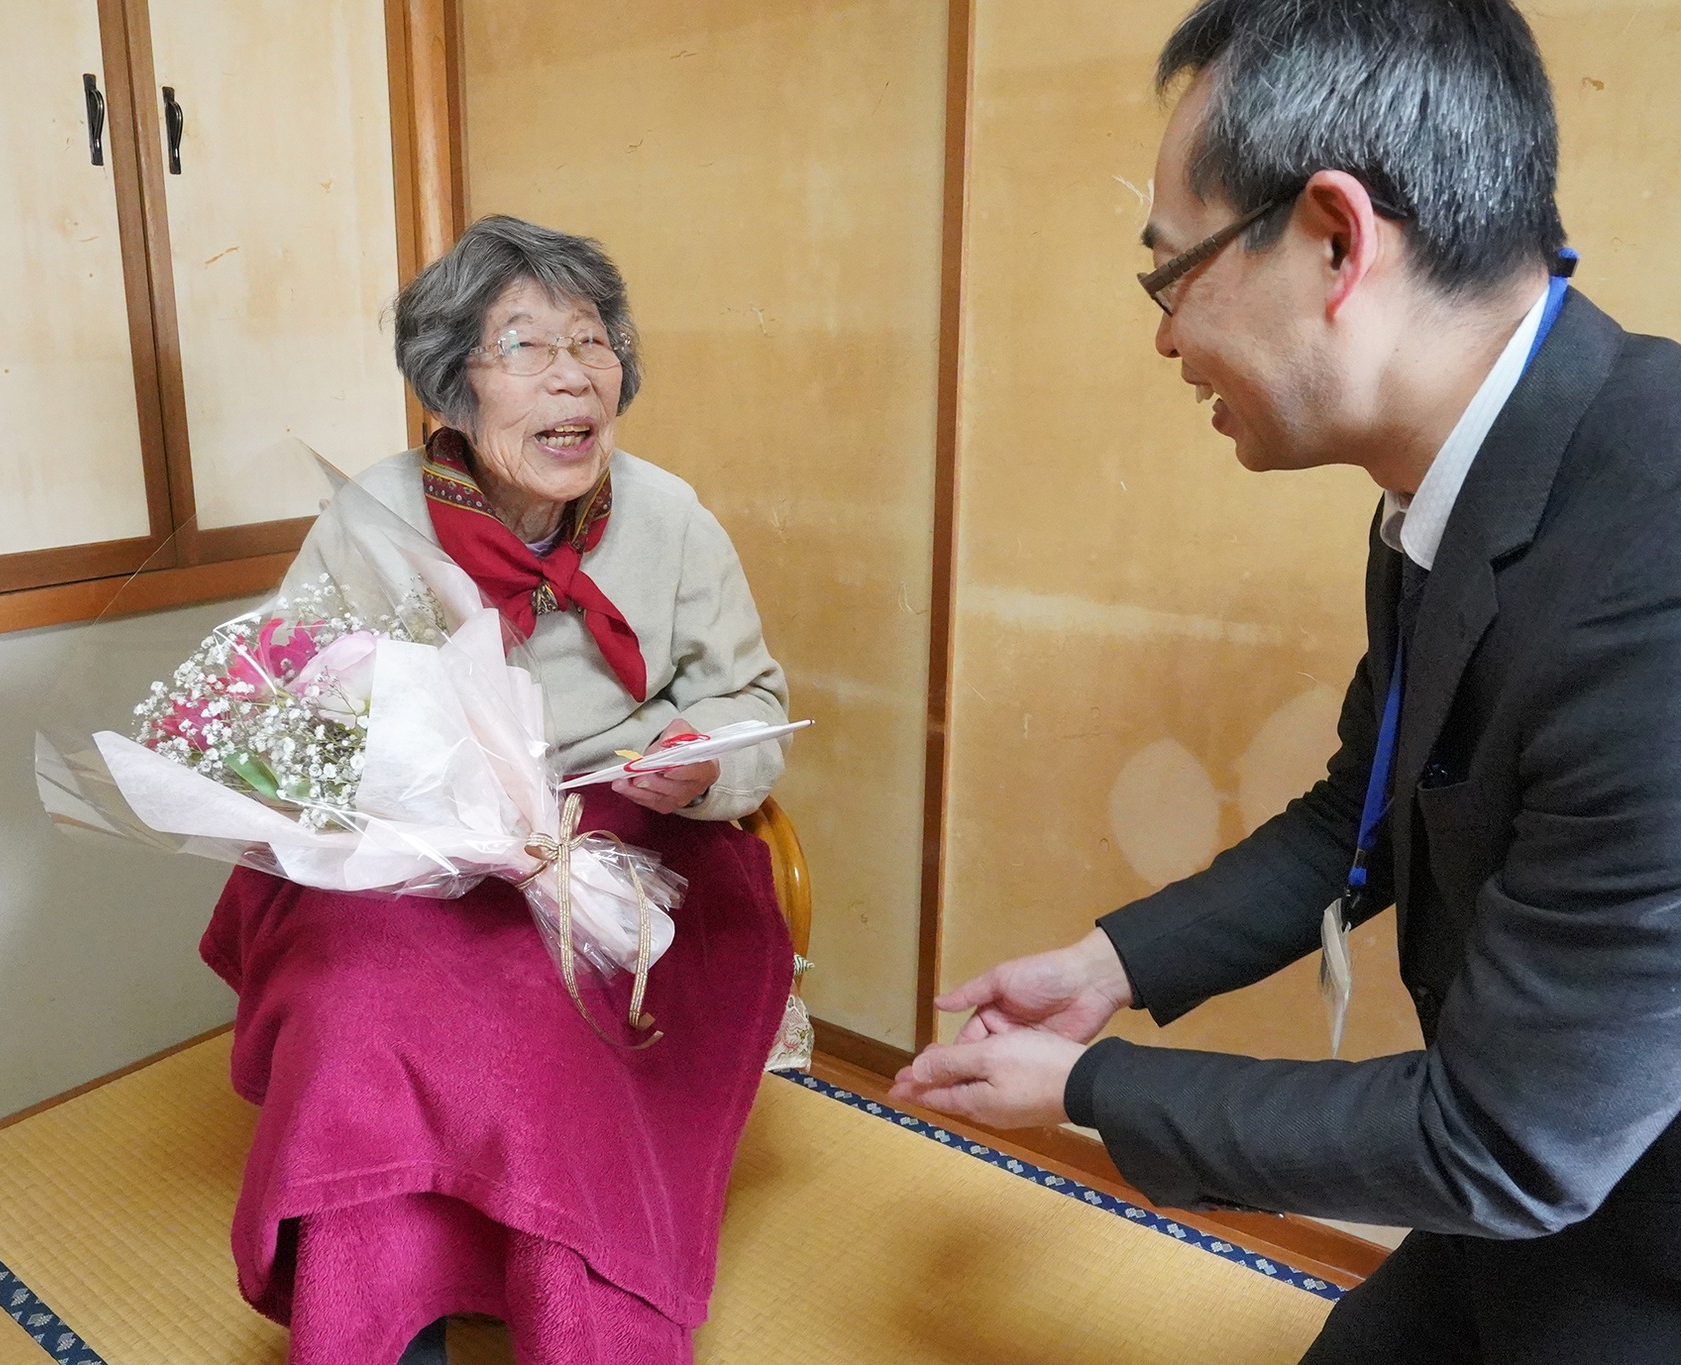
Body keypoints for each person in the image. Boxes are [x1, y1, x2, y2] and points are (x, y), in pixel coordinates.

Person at [890, 2, 1681, 1360]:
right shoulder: (1472, 476)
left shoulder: (1650, 570)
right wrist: (1111, 964)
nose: (1164, 338)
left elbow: (1508, 1143)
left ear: (1334, 238)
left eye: (1171, 273)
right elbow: (1359, 815)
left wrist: (1086, 1085)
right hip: (1539, 1192)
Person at [200, 216, 796, 1364]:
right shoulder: (368, 516)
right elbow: (286, 709)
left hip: (621, 828)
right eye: (524, 344)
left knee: (549, 1024)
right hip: (414, 845)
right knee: (354, 1013)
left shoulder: (670, 517)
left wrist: (704, 760)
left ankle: (573, 1318)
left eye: (593, 341)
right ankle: (381, 1325)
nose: (574, 372)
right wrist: (376, 765)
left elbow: (748, 698)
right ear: (450, 384)